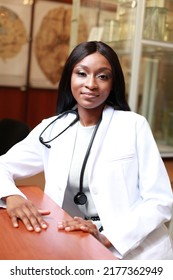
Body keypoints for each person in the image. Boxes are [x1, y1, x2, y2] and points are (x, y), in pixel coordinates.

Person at [0, 41, 173, 260]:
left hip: (136, 252)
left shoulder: (133, 126)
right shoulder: (52, 128)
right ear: (69, 78)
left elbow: (159, 201)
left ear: (113, 83)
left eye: (102, 76)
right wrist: (12, 195)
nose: (91, 84)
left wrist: (107, 238)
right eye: (82, 73)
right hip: (74, 243)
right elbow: (2, 165)